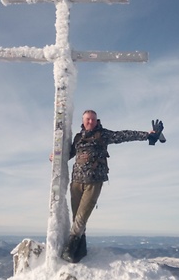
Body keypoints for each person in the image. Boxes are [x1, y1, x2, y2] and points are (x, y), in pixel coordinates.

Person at [60, 109, 163, 263]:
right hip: (76, 181)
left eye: (93, 119)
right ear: (83, 121)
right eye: (88, 119)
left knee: (81, 217)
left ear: (97, 120)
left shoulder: (103, 134)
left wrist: (147, 134)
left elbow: (124, 135)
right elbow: (69, 154)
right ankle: (80, 250)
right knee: (76, 217)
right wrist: (55, 156)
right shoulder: (78, 138)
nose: (90, 122)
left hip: (94, 181)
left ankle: (70, 249)